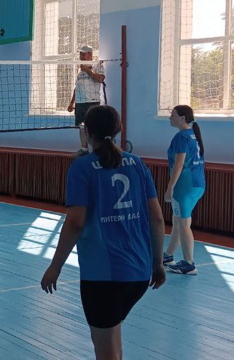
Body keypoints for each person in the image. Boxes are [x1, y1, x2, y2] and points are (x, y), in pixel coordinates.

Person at [41, 105, 166, 360]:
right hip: (139, 273)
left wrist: (55, 266)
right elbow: (157, 218)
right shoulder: (137, 164)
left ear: (86, 131)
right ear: (118, 129)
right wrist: (158, 263)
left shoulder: (82, 167)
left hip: (103, 277)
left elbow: (75, 223)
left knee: (106, 350)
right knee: (112, 339)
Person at [163, 105, 205, 275]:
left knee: (183, 224)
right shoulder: (193, 134)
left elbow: (179, 164)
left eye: (172, 115)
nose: (170, 118)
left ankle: (189, 264)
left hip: (184, 186)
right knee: (178, 221)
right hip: (198, 184)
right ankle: (168, 256)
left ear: (182, 118)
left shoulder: (181, 136)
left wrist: (170, 187)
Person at [67, 46, 105, 158]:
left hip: (92, 102)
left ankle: (97, 150)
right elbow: (77, 88)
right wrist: (71, 103)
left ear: (90, 54)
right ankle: (84, 149)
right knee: (81, 127)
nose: (81, 56)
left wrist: (88, 71)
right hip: (80, 103)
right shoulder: (80, 72)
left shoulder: (98, 64)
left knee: (93, 127)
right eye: (80, 54)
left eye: (83, 54)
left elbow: (100, 79)